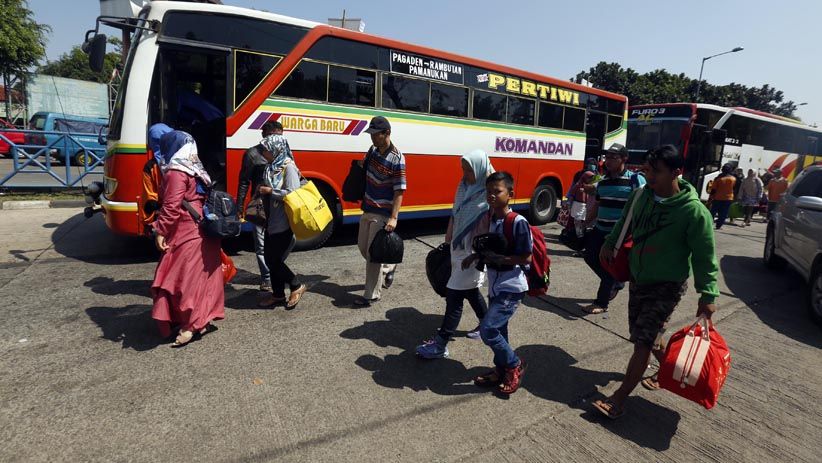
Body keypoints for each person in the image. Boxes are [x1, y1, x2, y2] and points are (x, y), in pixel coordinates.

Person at [593, 145, 719, 419]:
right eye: (647, 170)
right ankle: (666, 369)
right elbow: (625, 222)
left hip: (667, 285)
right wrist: (610, 242)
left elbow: (704, 256)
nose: (649, 176)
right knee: (649, 336)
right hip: (639, 278)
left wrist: (708, 294)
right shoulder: (641, 195)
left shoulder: (694, 212)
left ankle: (618, 399)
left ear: (676, 172)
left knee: (643, 341)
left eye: (657, 172)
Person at [415, 150, 494, 359]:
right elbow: (455, 213)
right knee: (470, 292)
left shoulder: (489, 194)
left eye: (469, 170)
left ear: (480, 170)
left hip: (472, 254)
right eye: (463, 170)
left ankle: (441, 344)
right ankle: (487, 325)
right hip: (458, 249)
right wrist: (449, 238)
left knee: (454, 296)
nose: (465, 174)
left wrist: (478, 254)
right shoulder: (463, 187)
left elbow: (490, 230)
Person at [150, 130, 224, 348]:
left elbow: (171, 206)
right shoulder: (196, 168)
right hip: (204, 229)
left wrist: (160, 230)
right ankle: (201, 319)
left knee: (181, 280)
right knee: (202, 279)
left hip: (186, 231)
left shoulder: (176, 172)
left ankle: (191, 325)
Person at [461, 171, 532, 395]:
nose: (492, 195)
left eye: (497, 191)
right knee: (500, 329)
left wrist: (501, 260)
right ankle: (501, 369)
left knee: (488, 329)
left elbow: (527, 257)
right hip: (495, 285)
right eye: (489, 191)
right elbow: (490, 249)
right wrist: (476, 256)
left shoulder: (518, 222)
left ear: (510, 194)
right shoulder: (491, 219)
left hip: (512, 286)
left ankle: (514, 364)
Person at [582, 143, 645, 315]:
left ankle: (601, 302)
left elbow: (642, 205)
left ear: (624, 159)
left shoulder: (635, 180)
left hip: (619, 233)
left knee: (609, 264)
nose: (608, 161)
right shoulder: (603, 182)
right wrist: (587, 221)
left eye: (613, 157)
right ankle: (614, 281)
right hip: (600, 228)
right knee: (589, 256)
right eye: (607, 157)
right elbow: (599, 204)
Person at [354, 116, 406, 307]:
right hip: (367, 206)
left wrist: (394, 217)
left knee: (371, 255)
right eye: (371, 134)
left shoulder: (398, 159)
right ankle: (388, 266)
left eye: (376, 134)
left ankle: (371, 295)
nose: (373, 138)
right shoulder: (373, 151)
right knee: (363, 248)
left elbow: (399, 190)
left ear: (387, 133)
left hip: (382, 212)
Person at [256, 134, 307, 309]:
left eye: (266, 150)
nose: (263, 152)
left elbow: (293, 193)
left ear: (276, 150)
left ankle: (296, 284)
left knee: (273, 259)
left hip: (283, 220)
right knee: (270, 258)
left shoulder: (288, 167)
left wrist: (271, 191)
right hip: (270, 219)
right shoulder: (270, 167)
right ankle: (278, 294)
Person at [236, 121, 282, 291]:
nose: (277, 140)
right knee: (261, 245)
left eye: (280, 136)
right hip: (259, 205)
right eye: (273, 136)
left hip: (278, 204)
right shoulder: (252, 154)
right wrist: (240, 206)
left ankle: (277, 269)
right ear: (264, 136)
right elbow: (244, 181)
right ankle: (267, 278)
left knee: (285, 241)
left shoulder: (283, 154)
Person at [140, 123, 174, 233]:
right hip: (184, 215)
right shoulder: (185, 161)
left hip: (163, 217)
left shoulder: (150, 167)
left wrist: (147, 222)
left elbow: (149, 198)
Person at [709, 164, 736, 229]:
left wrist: (710, 197)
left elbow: (713, 189)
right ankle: (719, 225)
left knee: (713, 212)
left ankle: (709, 224)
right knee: (723, 213)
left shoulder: (718, 179)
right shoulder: (733, 179)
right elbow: (734, 188)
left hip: (718, 197)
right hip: (728, 198)